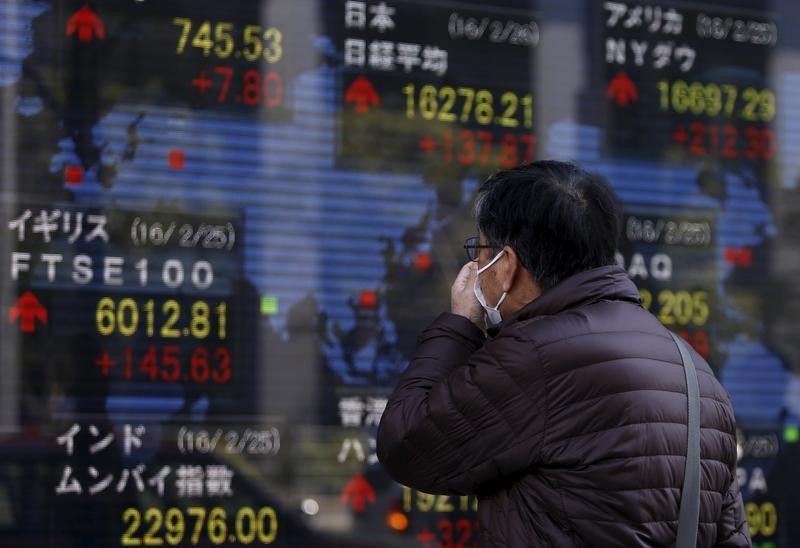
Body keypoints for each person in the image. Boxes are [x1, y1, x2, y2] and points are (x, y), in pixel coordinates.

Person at [376, 161, 750, 547]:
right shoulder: (699, 375)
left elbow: (407, 445)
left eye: (480, 250)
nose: (475, 267)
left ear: (506, 266)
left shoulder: (537, 357)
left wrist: (462, 325)